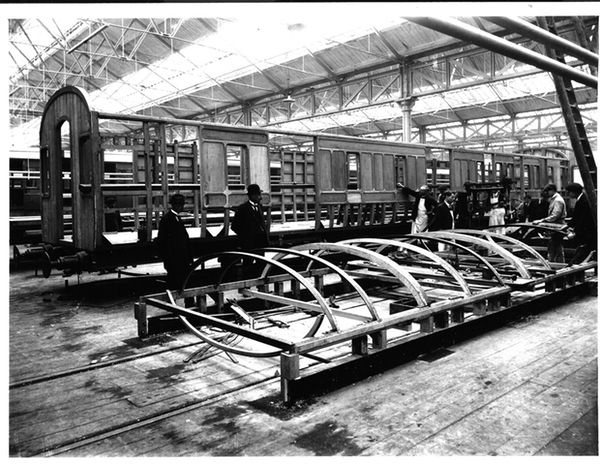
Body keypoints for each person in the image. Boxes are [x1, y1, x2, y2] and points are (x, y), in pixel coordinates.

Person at [231, 184, 270, 275]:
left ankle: (259, 284)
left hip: (259, 242)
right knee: (247, 265)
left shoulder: (259, 207)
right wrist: (245, 237)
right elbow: (235, 226)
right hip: (249, 243)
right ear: (252, 196)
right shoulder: (242, 208)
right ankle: (246, 285)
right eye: (258, 195)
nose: (260, 197)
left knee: (261, 264)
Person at [156, 193, 193, 290]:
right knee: (174, 281)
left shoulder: (175, 218)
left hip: (180, 258)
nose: (182, 207)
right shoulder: (167, 219)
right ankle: (172, 302)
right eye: (181, 205)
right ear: (176, 205)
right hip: (174, 259)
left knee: (182, 280)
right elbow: (162, 240)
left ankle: (185, 302)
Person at [533, 183, 566, 263]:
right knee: (553, 245)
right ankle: (553, 262)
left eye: (548, 191)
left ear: (552, 190)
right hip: (553, 225)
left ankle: (559, 264)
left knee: (557, 246)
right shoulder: (553, 199)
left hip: (557, 225)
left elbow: (555, 215)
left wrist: (542, 220)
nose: (547, 193)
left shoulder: (558, 200)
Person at [564, 182, 597, 265]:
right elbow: (576, 217)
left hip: (588, 235)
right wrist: (567, 225)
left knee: (584, 254)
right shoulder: (581, 200)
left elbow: (584, 221)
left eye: (569, 192)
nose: (568, 194)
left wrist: (575, 233)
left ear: (574, 192)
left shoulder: (585, 201)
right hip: (585, 234)